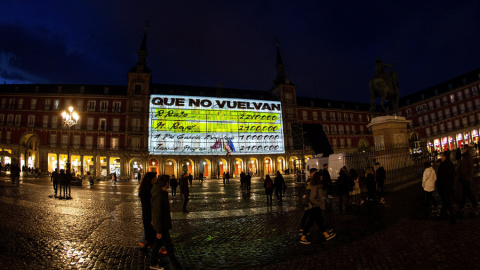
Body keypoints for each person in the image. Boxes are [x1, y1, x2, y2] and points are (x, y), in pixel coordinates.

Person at [150, 175, 182, 270]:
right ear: (166, 183)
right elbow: (157, 211)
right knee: (169, 248)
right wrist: (159, 230)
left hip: (162, 223)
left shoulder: (161, 192)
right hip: (162, 225)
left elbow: (155, 210)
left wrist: (154, 220)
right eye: (168, 181)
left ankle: (152, 262)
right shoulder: (159, 194)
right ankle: (177, 266)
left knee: (158, 244)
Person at [299, 171, 336, 244]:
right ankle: (303, 238)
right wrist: (318, 203)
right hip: (315, 207)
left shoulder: (318, 185)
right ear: (318, 178)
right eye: (321, 177)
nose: (322, 178)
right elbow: (312, 198)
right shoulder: (315, 186)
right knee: (310, 222)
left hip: (316, 207)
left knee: (319, 222)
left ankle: (326, 235)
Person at [457, 145, 478, 216]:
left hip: (466, 177)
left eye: (463, 149)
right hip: (465, 177)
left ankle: (474, 203)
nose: (462, 150)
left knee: (467, 192)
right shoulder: (465, 156)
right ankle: (462, 205)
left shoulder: (467, 157)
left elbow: (469, 167)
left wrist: (464, 174)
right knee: (465, 192)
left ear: (466, 149)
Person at [436, 151, 457, 224]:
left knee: (447, 202)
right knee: (445, 202)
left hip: (444, 187)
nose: (441, 157)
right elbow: (453, 174)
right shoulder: (451, 164)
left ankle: (453, 217)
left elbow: (440, 178)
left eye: (442, 156)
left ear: (444, 157)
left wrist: (439, 186)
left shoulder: (442, 166)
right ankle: (443, 215)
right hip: (449, 186)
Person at [138, 172, 157, 249]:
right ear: (150, 180)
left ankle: (147, 245)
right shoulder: (148, 189)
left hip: (147, 213)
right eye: (154, 179)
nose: (156, 180)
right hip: (149, 213)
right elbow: (149, 204)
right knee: (151, 231)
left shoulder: (145, 188)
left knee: (149, 231)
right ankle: (151, 248)